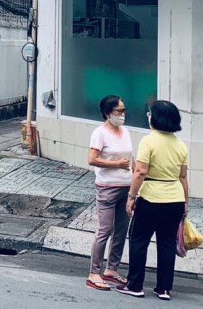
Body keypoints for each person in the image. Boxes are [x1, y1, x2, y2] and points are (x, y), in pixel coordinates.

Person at [118, 100, 189, 301]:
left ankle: (135, 285)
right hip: (175, 200)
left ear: (155, 118)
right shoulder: (181, 145)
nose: (148, 116)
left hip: (150, 198)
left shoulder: (148, 141)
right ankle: (164, 289)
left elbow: (140, 171)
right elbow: (183, 177)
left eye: (150, 113)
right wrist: (185, 203)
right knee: (167, 244)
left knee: (139, 241)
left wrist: (131, 197)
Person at [86, 95, 133, 291]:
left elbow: (131, 158)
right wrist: (116, 164)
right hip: (107, 187)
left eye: (124, 110)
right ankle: (94, 273)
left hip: (126, 187)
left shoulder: (125, 131)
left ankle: (111, 269)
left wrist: (137, 180)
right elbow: (92, 159)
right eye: (118, 111)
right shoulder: (99, 133)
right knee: (104, 230)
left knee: (121, 230)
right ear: (107, 113)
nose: (122, 115)